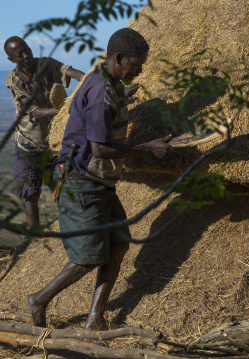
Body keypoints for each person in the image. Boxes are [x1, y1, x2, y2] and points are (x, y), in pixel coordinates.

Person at [26, 28, 173, 331]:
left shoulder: (111, 83)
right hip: (82, 181)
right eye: (137, 64)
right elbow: (100, 148)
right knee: (89, 256)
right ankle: (39, 299)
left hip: (101, 184)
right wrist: (147, 147)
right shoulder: (101, 93)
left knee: (118, 244)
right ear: (119, 58)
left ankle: (95, 317)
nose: (141, 70)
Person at [4, 36, 85, 227]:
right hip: (29, 147)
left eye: (27, 49)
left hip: (53, 143)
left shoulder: (47, 64)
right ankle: (34, 235)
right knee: (30, 193)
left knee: (65, 186)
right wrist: (63, 110)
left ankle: (71, 224)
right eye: (19, 54)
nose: (26, 55)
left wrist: (88, 81)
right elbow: (32, 110)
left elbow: (69, 71)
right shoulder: (14, 80)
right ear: (12, 60)